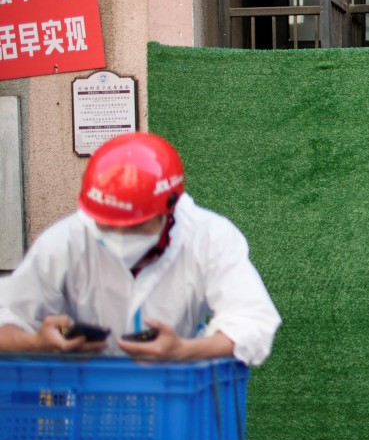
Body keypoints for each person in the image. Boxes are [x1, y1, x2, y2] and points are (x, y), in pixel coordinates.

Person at [0, 132, 281, 366]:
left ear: (168, 210)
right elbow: (7, 314)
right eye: (107, 225)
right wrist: (36, 342)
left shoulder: (210, 236)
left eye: (136, 226)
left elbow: (253, 319)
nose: (121, 236)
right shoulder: (63, 241)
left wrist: (183, 349)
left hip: (175, 398)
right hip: (86, 404)